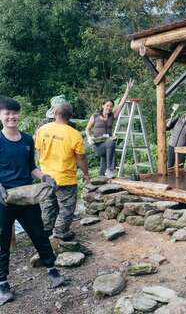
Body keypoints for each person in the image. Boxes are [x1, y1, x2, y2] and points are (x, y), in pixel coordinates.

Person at [0, 97, 66, 306]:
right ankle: (2, 283)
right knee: (2, 240)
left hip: (27, 197)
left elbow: (31, 167)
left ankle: (52, 270)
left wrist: (45, 176)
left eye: (15, 113)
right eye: (7, 113)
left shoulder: (28, 139)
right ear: (1, 116)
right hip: (4, 199)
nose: (12, 117)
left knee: (38, 233)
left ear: (19, 114)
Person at [35, 102, 90, 240]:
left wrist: (42, 169)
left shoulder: (42, 130)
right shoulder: (74, 134)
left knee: (48, 206)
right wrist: (86, 174)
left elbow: (38, 151)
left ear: (54, 113)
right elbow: (81, 159)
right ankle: (60, 233)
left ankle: (46, 232)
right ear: (71, 116)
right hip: (66, 179)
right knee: (66, 208)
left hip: (46, 177)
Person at [86, 80, 133, 178]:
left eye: (111, 106)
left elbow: (121, 104)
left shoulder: (113, 116)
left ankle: (102, 176)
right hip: (97, 145)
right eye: (107, 105)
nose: (109, 108)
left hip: (107, 144)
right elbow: (88, 129)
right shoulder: (95, 116)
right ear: (103, 106)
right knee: (111, 143)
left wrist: (127, 91)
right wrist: (89, 137)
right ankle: (110, 170)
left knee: (105, 158)